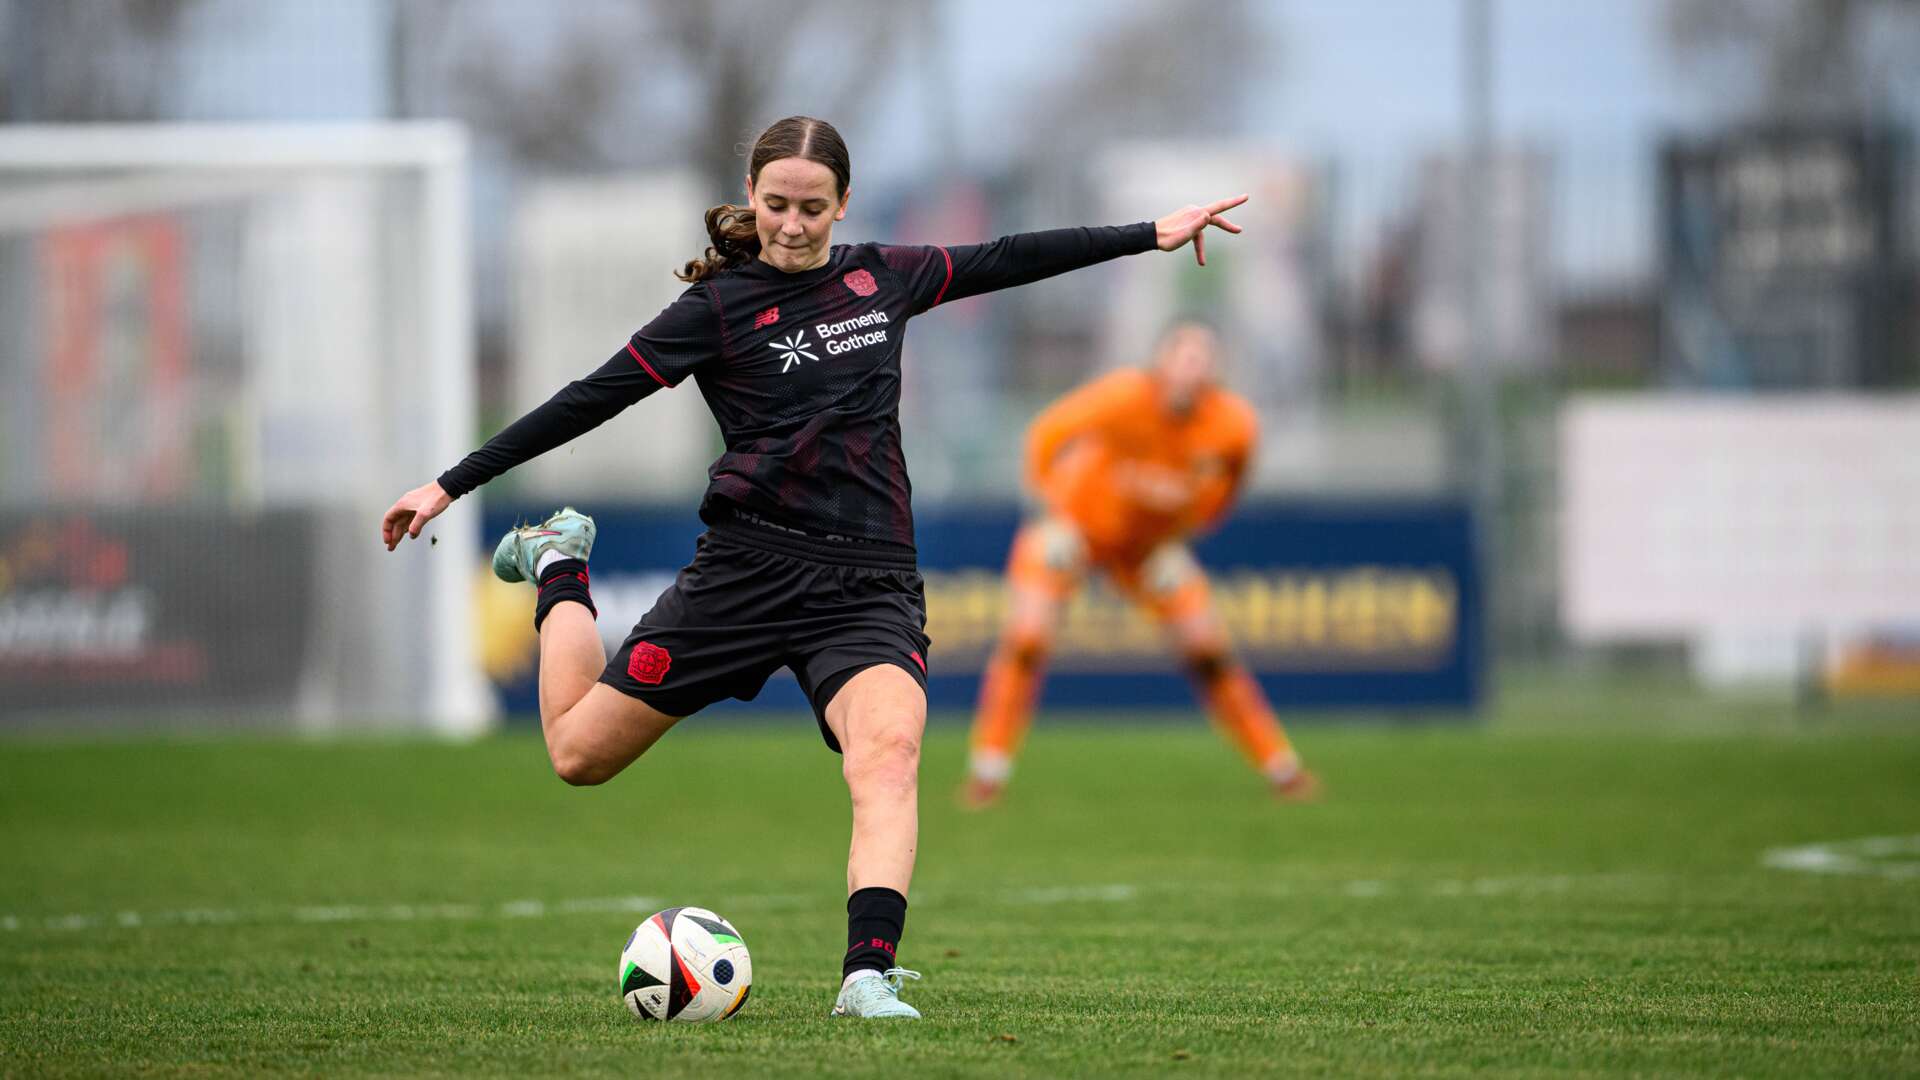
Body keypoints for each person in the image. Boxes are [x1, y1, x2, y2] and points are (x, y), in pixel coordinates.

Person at [381, 116, 1247, 1020]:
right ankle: (559, 561)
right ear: (751, 200)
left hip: (867, 584)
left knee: (889, 755)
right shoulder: (714, 311)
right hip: (745, 576)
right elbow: (587, 399)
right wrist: (449, 485)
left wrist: (1152, 232)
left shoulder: (887, 276)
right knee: (576, 756)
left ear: (842, 205)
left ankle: (866, 977)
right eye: (775, 205)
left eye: (812, 208)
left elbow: (1010, 255)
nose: (792, 225)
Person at [962, 322, 1319, 808]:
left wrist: (1181, 537)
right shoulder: (1124, 396)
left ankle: (1282, 769)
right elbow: (1045, 436)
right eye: (1183, 354)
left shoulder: (1233, 426)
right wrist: (1052, 517)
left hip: (1149, 549)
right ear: (1160, 361)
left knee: (1208, 650)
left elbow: (1227, 488)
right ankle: (988, 772)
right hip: (1076, 528)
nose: (1192, 368)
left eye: (1203, 357)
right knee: (1027, 637)